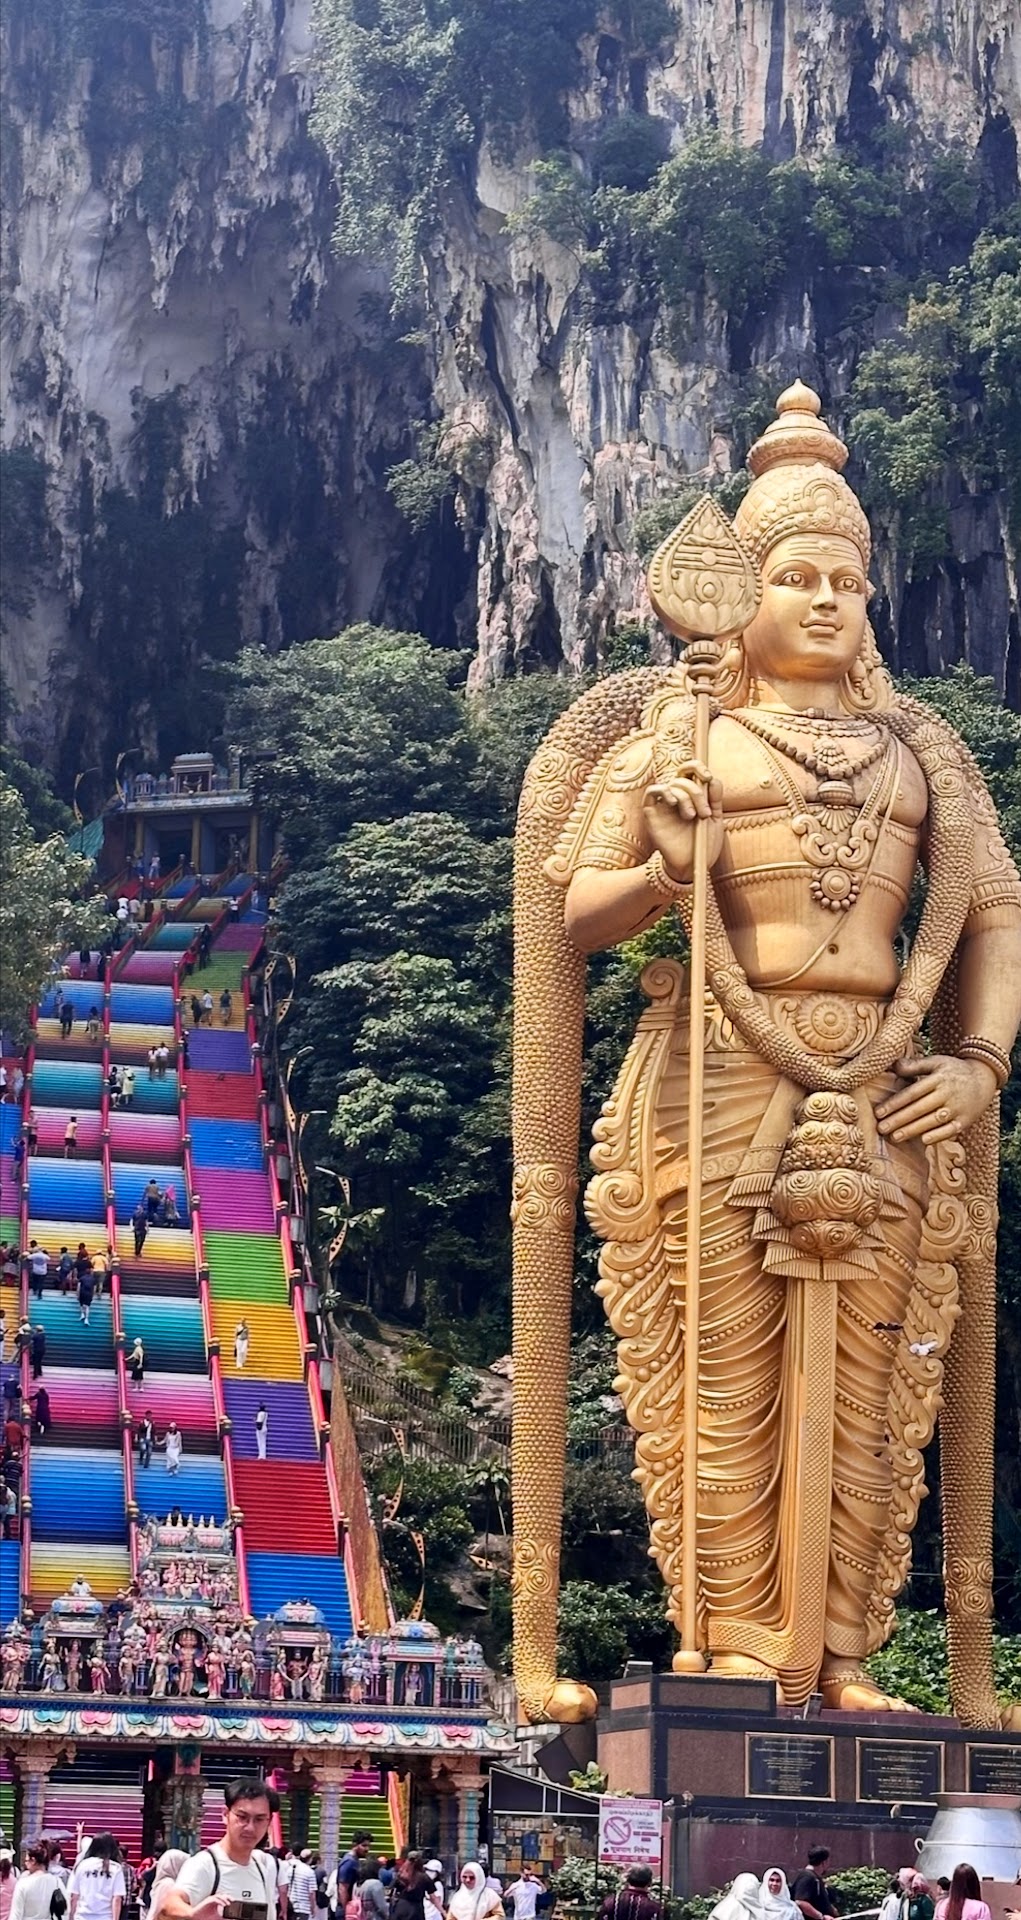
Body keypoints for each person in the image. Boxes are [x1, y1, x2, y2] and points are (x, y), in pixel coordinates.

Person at [510, 382, 1021, 1723]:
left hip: (889, 1085)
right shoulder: (685, 735)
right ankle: (736, 1639)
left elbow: (994, 911)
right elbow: (575, 910)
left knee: (873, 1385)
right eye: (794, 575)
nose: (822, 600)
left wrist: (977, 1061)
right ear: (738, 592)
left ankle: (841, 1655)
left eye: (845, 580)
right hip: (720, 1073)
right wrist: (665, 865)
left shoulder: (921, 753)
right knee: (721, 1370)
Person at [161, 1775, 280, 1920]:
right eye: (242, 1817)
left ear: (269, 1821)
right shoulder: (206, 1864)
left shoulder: (262, 1866)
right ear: (225, 1814)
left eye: (259, 1819)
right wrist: (192, 1914)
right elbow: (171, 1902)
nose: (250, 1827)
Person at [69, 1836, 126, 1920]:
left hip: (82, 1915)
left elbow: (74, 1896)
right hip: (105, 1916)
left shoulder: (82, 1865)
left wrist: (71, 1916)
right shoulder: (115, 1868)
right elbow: (117, 1898)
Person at [10, 1844, 61, 1920]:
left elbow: (16, 1915)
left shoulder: (23, 1884)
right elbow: (65, 1909)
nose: (25, 1864)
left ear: (33, 1861)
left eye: (26, 1860)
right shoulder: (57, 1882)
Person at [791, 1853, 835, 1920]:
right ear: (824, 1862)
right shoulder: (807, 1877)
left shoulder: (816, 1877)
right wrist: (822, 1917)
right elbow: (801, 1902)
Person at [78, 1260, 95, 1326]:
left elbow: (79, 1286)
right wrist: (93, 1294)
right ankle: (86, 1319)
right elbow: (94, 1288)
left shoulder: (82, 1278)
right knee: (87, 1306)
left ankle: (82, 1314)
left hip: (82, 1292)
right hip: (89, 1293)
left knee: (81, 1304)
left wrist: (77, 1294)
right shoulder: (93, 1279)